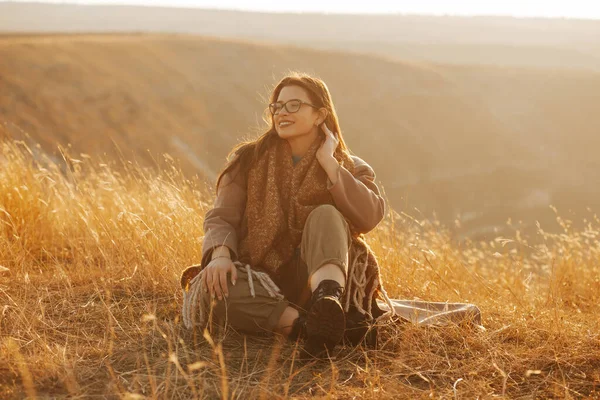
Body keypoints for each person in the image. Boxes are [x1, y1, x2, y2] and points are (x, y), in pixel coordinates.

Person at [181, 72, 395, 358]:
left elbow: (369, 217)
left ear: (320, 115)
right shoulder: (247, 160)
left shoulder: (349, 166)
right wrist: (220, 255)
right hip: (262, 278)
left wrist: (330, 166)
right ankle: (310, 327)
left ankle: (328, 301)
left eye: (294, 105)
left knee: (325, 215)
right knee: (215, 292)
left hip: (319, 274)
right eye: (277, 106)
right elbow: (222, 216)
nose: (282, 113)